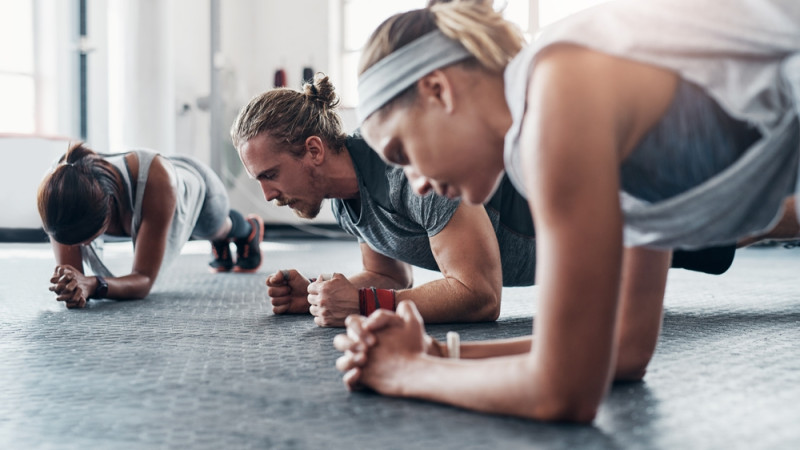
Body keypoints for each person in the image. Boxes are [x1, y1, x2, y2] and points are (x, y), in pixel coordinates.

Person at [333, 0, 800, 422]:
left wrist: (404, 373)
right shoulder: (566, 123)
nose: (415, 181)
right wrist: (436, 355)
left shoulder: (557, 91)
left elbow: (564, 391)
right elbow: (623, 348)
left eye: (402, 153)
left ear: (438, 90)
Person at [230, 75, 745, 327]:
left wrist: (362, 305)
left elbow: (479, 296)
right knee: (742, 222)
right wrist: (318, 294)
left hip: (609, 207)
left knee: (748, 216)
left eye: (271, 174)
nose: (268, 194)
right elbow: (390, 278)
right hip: (592, 248)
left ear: (313, 150)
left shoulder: (406, 169)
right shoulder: (347, 200)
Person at [38, 142, 265, 308]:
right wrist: (72, 285)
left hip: (198, 187)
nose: (84, 245)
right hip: (157, 189)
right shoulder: (58, 191)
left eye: (88, 239)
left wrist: (94, 285)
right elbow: (74, 277)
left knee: (214, 229)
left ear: (109, 206)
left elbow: (143, 280)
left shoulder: (157, 183)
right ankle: (222, 244)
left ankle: (247, 230)